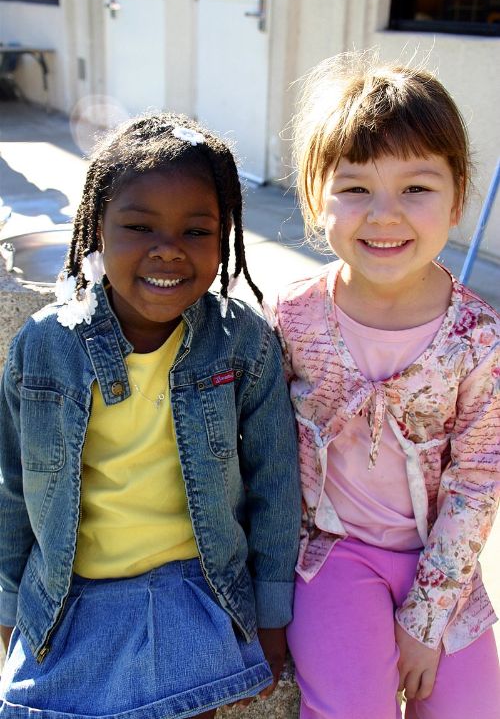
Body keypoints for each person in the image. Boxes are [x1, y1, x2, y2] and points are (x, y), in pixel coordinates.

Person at [0, 112, 301, 719]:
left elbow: (276, 487)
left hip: (197, 596)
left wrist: (272, 620)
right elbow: (12, 486)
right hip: (68, 600)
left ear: (226, 237)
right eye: (139, 226)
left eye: (197, 231)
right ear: (97, 233)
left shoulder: (242, 344)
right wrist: (9, 608)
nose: (168, 249)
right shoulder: (43, 346)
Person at [274, 52, 500, 719]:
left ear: (458, 197)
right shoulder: (290, 320)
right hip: (333, 562)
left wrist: (426, 620)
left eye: (416, 189)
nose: (384, 215)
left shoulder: (478, 337)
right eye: (355, 188)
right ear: (317, 199)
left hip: (442, 563)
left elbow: (477, 482)